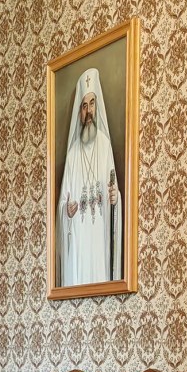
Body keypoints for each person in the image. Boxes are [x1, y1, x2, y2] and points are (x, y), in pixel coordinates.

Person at [56, 66, 121, 287]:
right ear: (80, 112)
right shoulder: (73, 153)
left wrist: (115, 199)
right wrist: (67, 211)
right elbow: (62, 204)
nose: (89, 110)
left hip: (99, 236)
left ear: (97, 106)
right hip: (80, 241)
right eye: (84, 106)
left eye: (92, 103)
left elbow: (114, 194)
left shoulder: (104, 144)